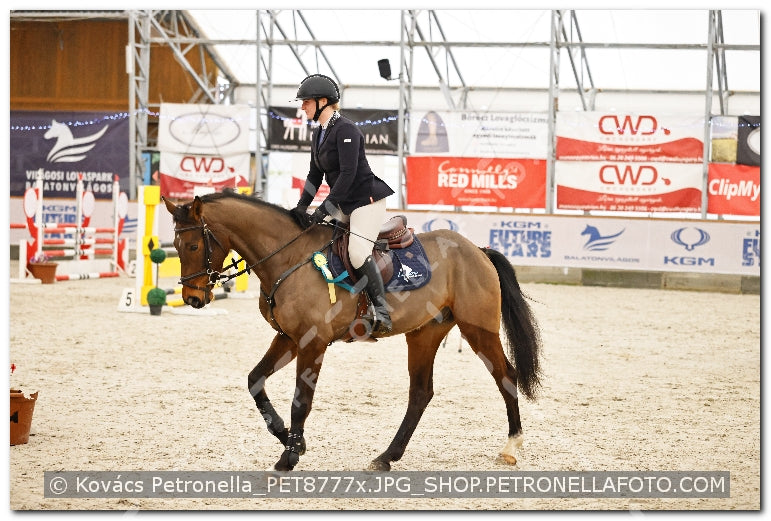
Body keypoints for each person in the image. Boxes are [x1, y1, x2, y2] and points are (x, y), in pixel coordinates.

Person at [292, 73, 395, 334]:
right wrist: (302, 207)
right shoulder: (319, 134)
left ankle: (382, 311)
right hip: (343, 201)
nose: (302, 106)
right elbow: (315, 175)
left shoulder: (347, 130)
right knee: (311, 237)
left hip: (365, 201)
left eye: (306, 102)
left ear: (323, 101)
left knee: (358, 252)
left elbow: (349, 174)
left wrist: (325, 208)